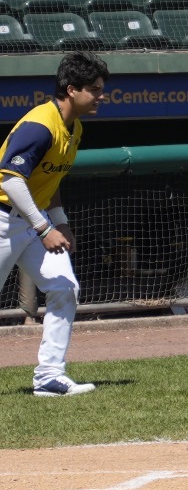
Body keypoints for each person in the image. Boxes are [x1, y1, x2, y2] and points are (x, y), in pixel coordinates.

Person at [0, 53, 107, 398]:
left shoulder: (74, 127)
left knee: (64, 287)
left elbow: (51, 178)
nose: (101, 95)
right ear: (71, 89)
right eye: (94, 89)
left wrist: (59, 222)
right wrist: (45, 229)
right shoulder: (40, 125)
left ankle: (49, 376)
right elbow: (10, 179)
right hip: (4, 218)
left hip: (32, 219)